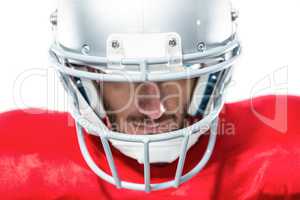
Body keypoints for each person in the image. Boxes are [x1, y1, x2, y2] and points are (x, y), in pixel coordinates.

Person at [0, 0, 300, 199]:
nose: (153, 108)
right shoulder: (17, 163)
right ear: (87, 77)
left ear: (206, 76)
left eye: (173, 77)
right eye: (124, 81)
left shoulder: (280, 154)